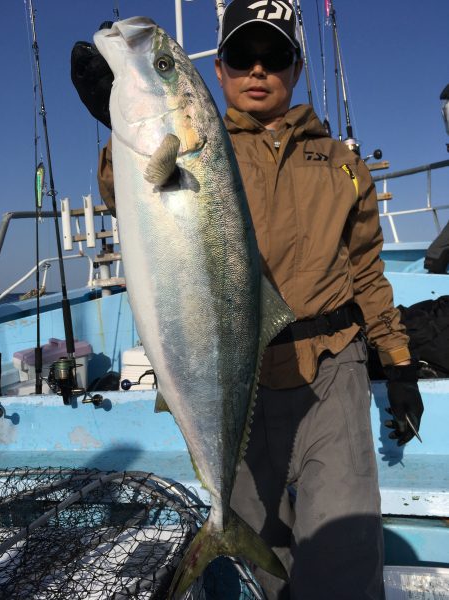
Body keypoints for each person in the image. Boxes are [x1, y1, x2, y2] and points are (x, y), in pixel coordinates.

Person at [71, 2, 424, 598]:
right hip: (236, 375)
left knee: (343, 561)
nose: (258, 71)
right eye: (241, 56)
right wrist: (115, 116)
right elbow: (127, 191)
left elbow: (367, 271)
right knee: (268, 566)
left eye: (275, 56)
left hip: (330, 375)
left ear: (297, 67)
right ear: (221, 68)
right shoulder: (200, 143)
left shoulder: (343, 164)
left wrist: (398, 360)